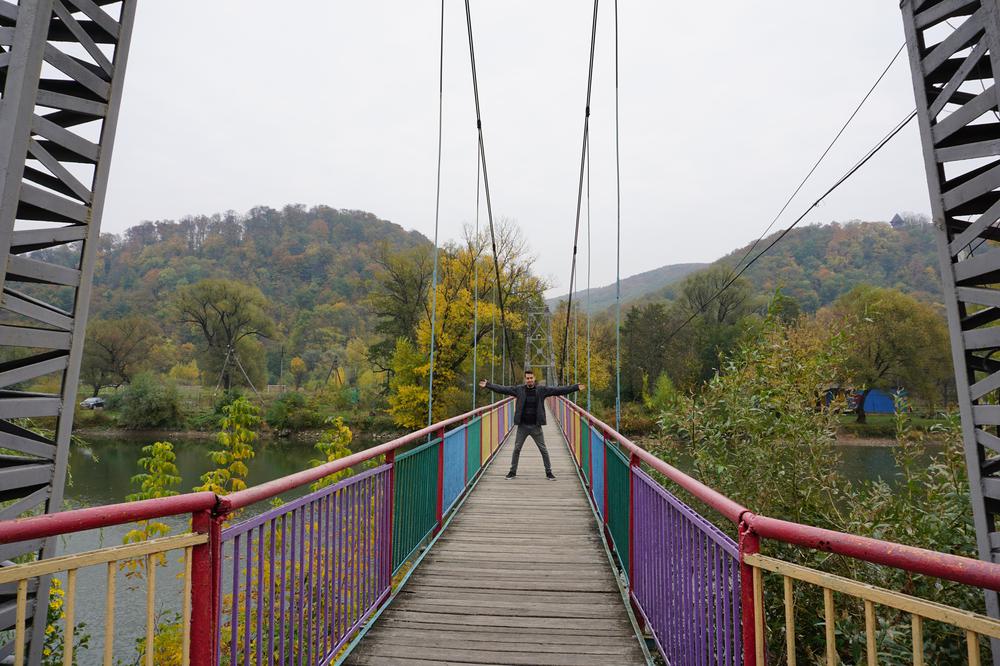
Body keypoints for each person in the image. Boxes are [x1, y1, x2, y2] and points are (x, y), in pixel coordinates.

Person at [479, 370, 584, 480]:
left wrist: (575, 387)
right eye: (527, 378)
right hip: (522, 426)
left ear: (534, 379)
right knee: (516, 449)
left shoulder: (542, 390)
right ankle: (512, 472)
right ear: (525, 380)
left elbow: (558, 390)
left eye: (531, 378)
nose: (529, 380)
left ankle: (549, 472)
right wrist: (488, 385)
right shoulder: (519, 390)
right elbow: (503, 389)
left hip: (535, 426)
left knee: (543, 449)